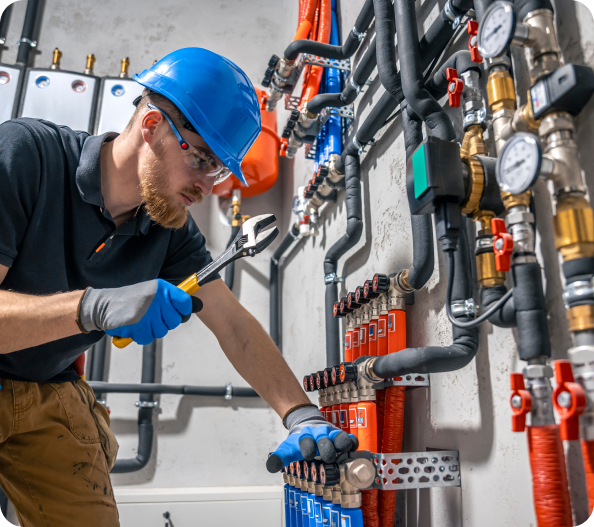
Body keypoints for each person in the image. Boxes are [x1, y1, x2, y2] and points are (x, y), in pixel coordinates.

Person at [0, 47, 355, 526]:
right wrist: (91, 308)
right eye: (205, 161)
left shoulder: (169, 230)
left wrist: (300, 415)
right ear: (153, 127)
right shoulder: (26, 155)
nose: (208, 185)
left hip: (47, 387)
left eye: (221, 170)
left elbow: (233, 325)